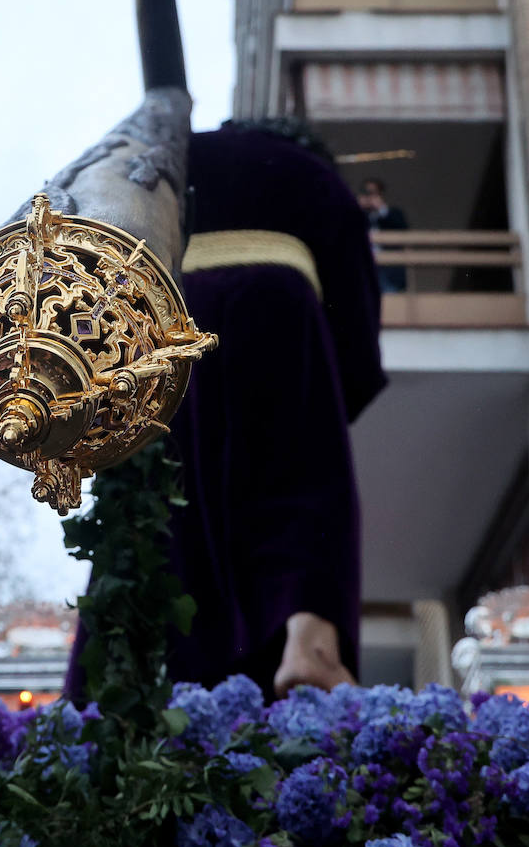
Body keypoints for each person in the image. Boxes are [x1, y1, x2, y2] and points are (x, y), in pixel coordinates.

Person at [65, 120, 387, 701]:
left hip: (162, 332)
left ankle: (117, 682)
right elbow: (357, 349)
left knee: (152, 517)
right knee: (300, 485)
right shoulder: (313, 175)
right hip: (280, 314)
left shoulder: (181, 155)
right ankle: (306, 640)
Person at [357, 177, 410, 293]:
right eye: (365, 192)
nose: (369, 196)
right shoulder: (359, 215)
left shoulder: (393, 213)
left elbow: (403, 230)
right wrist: (357, 209)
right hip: (364, 266)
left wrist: (381, 209)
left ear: (380, 194)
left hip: (388, 268)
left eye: (372, 193)